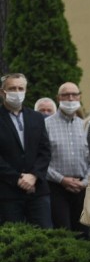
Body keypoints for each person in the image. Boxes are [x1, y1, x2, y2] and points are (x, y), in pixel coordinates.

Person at [0, 73, 52, 228]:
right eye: (12, 88)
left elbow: (45, 150)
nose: (17, 92)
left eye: (20, 88)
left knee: (45, 237)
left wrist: (34, 175)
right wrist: (17, 178)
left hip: (37, 191)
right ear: (2, 92)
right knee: (13, 240)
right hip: (7, 192)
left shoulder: (36, 117)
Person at [45, 82, 90, 238]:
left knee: (84, 234)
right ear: (58, 98)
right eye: (66, 95)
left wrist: (85, 181)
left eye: (74, 94)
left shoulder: (86, 125)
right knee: (63, 234)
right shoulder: (45, 125)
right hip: (57, 187)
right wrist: (62, 180)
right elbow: (41, 159)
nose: (70, 98)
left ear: (80, 96)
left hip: (83, 187)